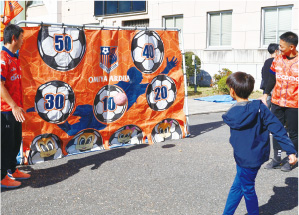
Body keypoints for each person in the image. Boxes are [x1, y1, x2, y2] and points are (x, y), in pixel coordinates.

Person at [222, 72, 297, 215]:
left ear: (232, 91)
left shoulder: (232, 113)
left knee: (247, 189)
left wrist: (291, 151)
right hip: (255, 156)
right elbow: (278, 129)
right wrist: (290, 151)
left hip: (243, 158)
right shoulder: (260, 108)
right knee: (239, 186)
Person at [262, 32, 298, 172]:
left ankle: (292, 159)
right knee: (276, 131)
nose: (279, 48)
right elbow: (271, 79)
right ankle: (276, 159)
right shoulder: (277, 60)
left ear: (292, 47)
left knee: (294, 133)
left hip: (294, 104)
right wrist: (265, 94)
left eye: (282, 46)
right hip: (277, 101)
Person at [1, 24, 31, 189]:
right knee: (5, 144)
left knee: (15, 141)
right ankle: (1, 176)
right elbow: (0, 85)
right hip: (5, 110)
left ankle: (12, 169)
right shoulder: (3, 58)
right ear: (14, 38)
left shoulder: (14, 57)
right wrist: (13, 106)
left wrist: (18, 106)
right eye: (21, 39)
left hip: (16, 110)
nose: (22, 42)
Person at [260, 43, 279, 108]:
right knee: (275, 109)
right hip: (274, 87)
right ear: (276, 51)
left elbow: (263, 73)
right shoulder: (278, 61)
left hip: (266, 87)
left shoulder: (267, 61)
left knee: (265, 109)